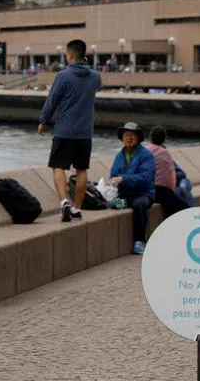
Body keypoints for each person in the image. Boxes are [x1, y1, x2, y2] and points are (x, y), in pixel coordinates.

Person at [37, 39, 101, 222]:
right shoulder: (95, 76)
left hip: (64, 130)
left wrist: (44, 120)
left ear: (70, 55)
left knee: (59, 167)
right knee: (81, 170)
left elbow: (52, 100)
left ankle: (64, 201)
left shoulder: (63, 76)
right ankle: (77, 208)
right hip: (85, 131)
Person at [109, 123, 155, 255]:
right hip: (125, 194)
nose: (129, 138)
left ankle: (140, 241)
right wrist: (113, 181)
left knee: (139, 205)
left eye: (132, 135)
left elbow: (145, 177)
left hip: (144, 193)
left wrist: (123, 179)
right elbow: (113, 175)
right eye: (126, 135)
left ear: (138, 138)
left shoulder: (146, 155)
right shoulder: (119, 155)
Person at [144, 126, 191, 217]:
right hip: (160, 191)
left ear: (150, 138)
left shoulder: (143, 151)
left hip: (145, 190)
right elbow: (170, 177)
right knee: (185, 209)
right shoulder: (165, 153)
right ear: (164, 139)